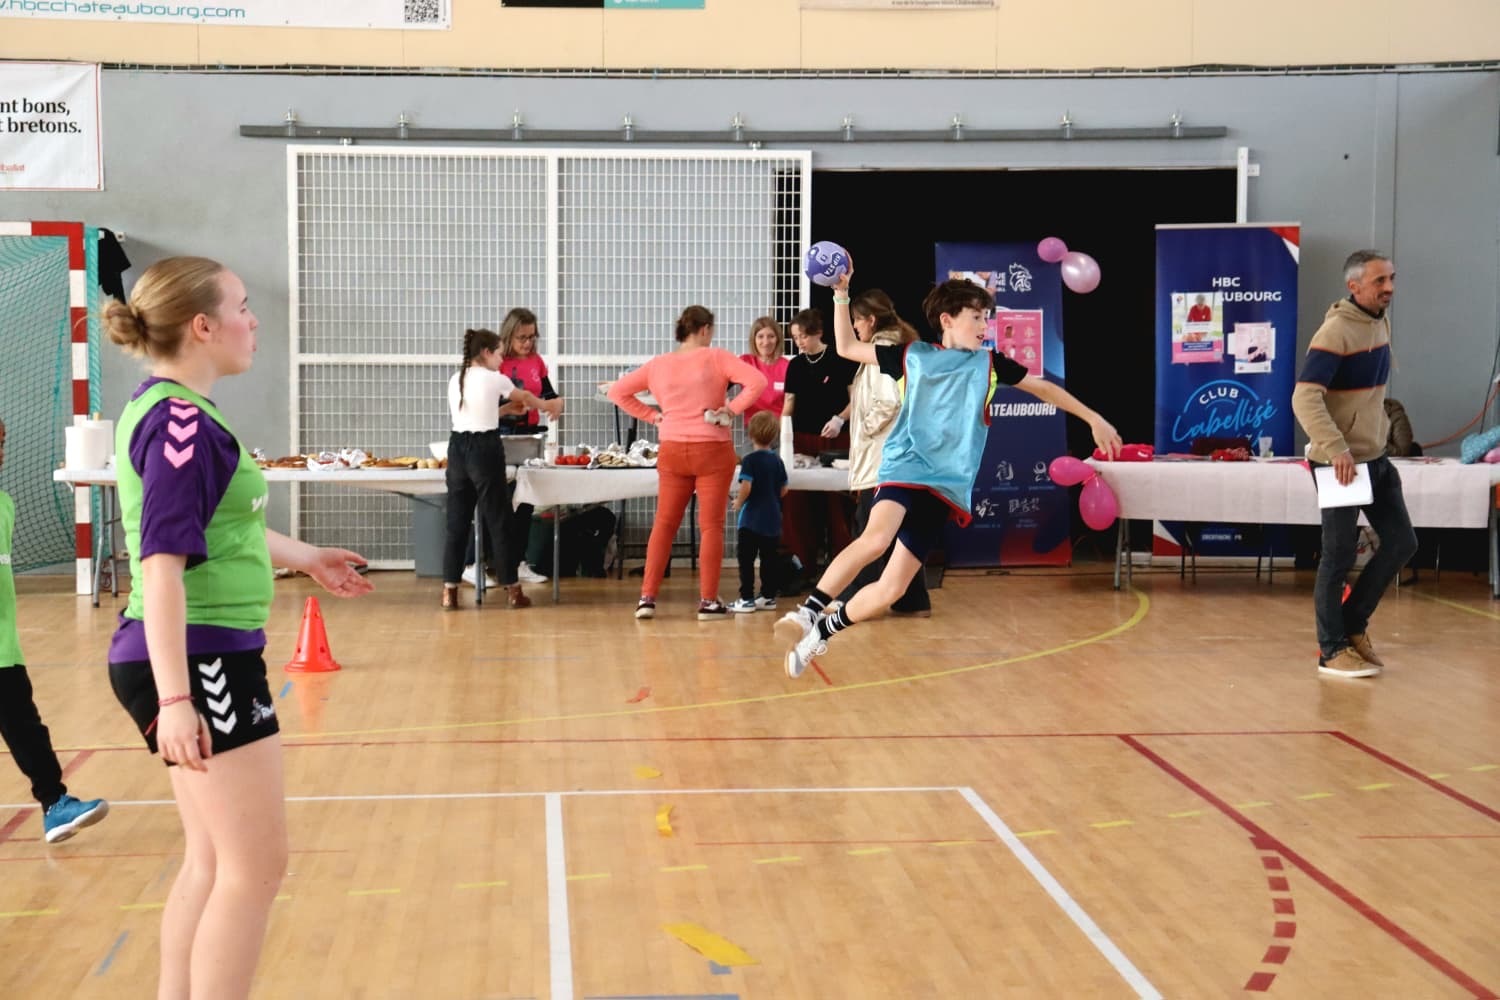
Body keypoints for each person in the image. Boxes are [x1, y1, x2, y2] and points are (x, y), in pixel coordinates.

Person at [102, 256, 376, 1000]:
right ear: (203, 325)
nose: (254, 321)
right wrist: (175, 700)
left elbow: (224, 531)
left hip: (195, 656)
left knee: (212, 861)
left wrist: (307, 557)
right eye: (243, 306)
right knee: (255, 867)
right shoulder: (180, 424)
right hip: (199, 662)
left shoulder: (178, 410)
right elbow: (161, 567)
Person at [776, 264, 1122, 678]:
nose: (984, 326)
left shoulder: (989, 364)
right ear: (947, 320)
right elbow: (848, 347)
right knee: (875, 539)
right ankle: (808, 612)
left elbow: (1043, 388)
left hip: (945, 486)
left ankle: (821, 633)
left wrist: (1092, 417)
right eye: (976, 317)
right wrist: (841, 293)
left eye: (986, 317)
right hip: (906, 466)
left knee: (893, 588)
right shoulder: (912, 355)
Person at [1291, 250, 1417, 679]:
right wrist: (1337, 448)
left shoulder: (1379, 320)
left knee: (1402, 543)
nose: (1390, 288)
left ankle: (1352, 627)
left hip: (1375, 458)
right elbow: (1304, 397)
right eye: (1380, 281)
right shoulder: (1335, 332)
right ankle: (1331, 650)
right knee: (1339, 555)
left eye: (1392, 278)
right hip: (1339, 463)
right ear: (1354, 286)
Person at [608, 305, 767, 620]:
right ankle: (708, 601)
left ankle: (646, 598)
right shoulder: (717, 357)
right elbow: (757, 382)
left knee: (664, 524)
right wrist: (730, 410)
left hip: (672, 449)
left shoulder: (658, 364)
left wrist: (653, 416)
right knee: (710, 527)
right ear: (705, 329)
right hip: (712, 449)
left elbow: (617, 391)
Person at [0, 417, 110, 845]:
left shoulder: (5, 505)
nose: (2, 454)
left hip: (4, 646)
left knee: (26, 729)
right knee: (25, 727)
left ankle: (55, 805)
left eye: (3, 444)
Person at [443, 327, 562, 611]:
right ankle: (513, 590)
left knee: (457, 522)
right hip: (485, 449)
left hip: (457, 448)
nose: (501, 359)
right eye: (498, 354)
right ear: (486, 353)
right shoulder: (494, 378)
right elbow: (526, 397)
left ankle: (449, 591)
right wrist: (550, 404)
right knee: (499, 519)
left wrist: (506, 410)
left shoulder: (457, 378)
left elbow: (476, 413)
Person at [834, 289, 929, 618]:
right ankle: (913, 601)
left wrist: (865, 430)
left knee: (867, 531)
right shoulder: (897, 345)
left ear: (871, 319)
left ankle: (849, 599)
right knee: (899, 532)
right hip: (897, 457)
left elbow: (889, 401)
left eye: (857, 320)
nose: (855, 327)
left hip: (883, 457)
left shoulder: (882, 350)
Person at [780, 307, 859, 575]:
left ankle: (843, 565)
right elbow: (789, 403)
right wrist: (783, 435)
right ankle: (804, 564)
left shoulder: (841, 359)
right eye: (795, 337)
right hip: (803, 440)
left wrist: (839, 419)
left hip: (837, 441)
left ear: (818, 333)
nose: (800, 342)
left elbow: (856, 399)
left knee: (837, 505)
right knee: (799, 504)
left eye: (803, 336)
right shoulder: (795, 365)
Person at [728, 411, 789, 613]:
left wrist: (739, 502)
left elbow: (747, 486)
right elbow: (784, 489)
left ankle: (746, 598)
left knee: (746, 560)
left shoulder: (750, 460)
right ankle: (768, 596)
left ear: (750, 434)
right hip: (773, 519)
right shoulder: (778, 461)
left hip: (751, 519)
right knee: (769, 559)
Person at [737, 316, 789, 427]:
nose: (766, 342)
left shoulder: (787, 366)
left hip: (779, 427)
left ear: (778, 339)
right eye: (760, 336)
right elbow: (721, 381)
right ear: (754, 339)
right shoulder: (745, 362)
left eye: (771, 336)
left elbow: (791, 401)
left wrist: (783, 427)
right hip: (753, 427)